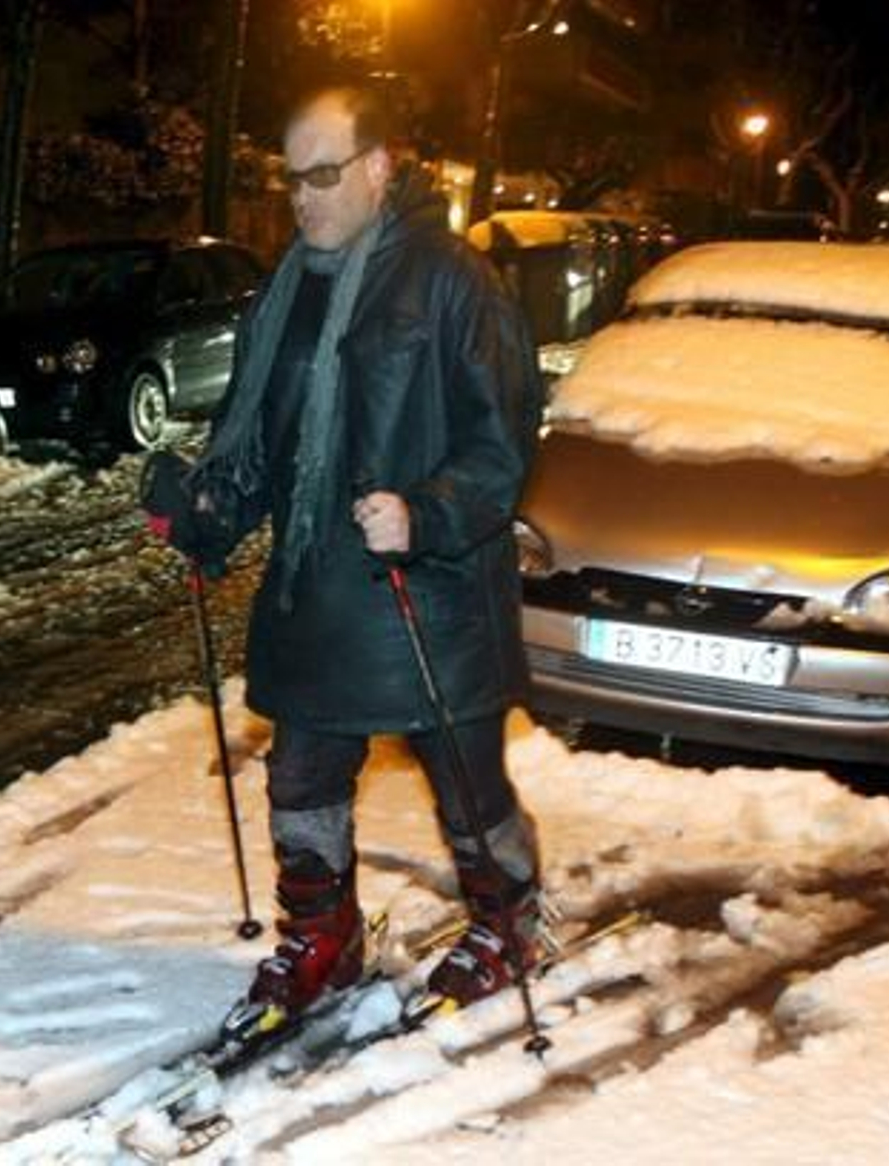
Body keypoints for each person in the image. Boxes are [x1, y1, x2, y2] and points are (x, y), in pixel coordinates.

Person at [142, 84, 545, 1017]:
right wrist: (201, 509)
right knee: (300, 783)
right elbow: (256, 449)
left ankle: (508, 918)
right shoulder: (284, 293)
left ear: (377, 167)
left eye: (322, 176)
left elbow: (505, 444)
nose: (302, 198)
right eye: (291, 180)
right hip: (318, 590)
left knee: (466, 791)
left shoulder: (454, 281)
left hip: (430, 591)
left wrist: (429, 512)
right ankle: (324, 935)